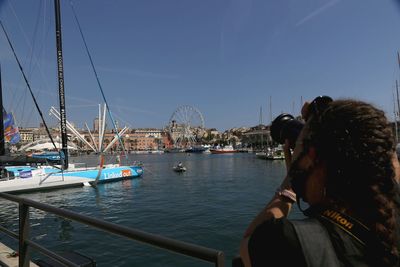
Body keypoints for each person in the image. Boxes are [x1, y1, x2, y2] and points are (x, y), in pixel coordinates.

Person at [239, 98, 400, 267]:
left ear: (312, 156)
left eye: (299, 145)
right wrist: (330, 119)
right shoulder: (391, 210)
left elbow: (246, 247)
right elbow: (385, 159)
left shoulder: (290, 242)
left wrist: (290, 185)